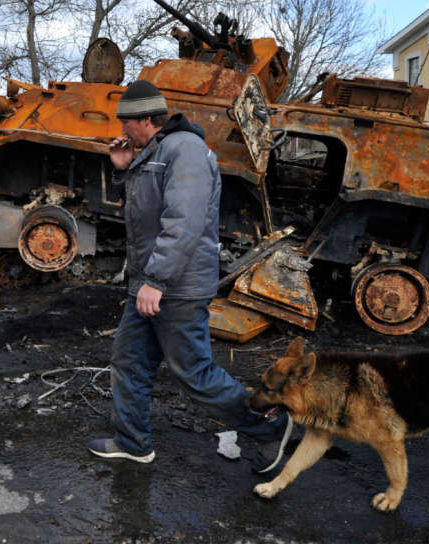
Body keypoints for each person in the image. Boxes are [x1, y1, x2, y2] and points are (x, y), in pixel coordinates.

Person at [87, 79, 294, 471]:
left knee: (193, 374)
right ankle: (133, 442)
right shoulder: (155, 152)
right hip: (149, 284)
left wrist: (157, 281)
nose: (122, 130)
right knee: (129, 362)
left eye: (126, 122)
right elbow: (146, 213)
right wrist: (124, 170)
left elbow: (183, 221)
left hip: (175, 288)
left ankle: (268, 425)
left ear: (147, 119)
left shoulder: (186, 151)